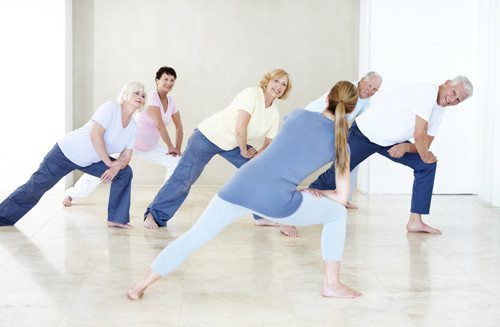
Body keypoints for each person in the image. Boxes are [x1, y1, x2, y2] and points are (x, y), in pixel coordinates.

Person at [127, 81, 362, 300]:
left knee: (195, 236)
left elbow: (286, 152)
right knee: (337, 213)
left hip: (239, 185)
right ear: (351, 109)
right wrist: (309, 191)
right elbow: (341, 198)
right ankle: (331, 284)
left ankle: (140, 286)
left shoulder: (297, 115)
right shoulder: (341, 144)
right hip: (276, 200)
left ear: (328, 97)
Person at [309, 76, 474, 234]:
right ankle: (297, 205)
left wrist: (406, 148)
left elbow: (426, 143)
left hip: (391, 142)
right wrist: (422, 153)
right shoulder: (427, 92)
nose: (453, 100)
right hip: (365, 134)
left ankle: (415, 221)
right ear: (447, 83)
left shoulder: (440, 110)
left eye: (458, 100)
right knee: (334, 176)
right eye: (453, 93)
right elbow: (419, 135)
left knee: (426, 165)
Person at [142, 68, 292, 229]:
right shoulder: (252, 94)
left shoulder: (274, 113)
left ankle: (262, 216)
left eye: (283, 84)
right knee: (184, 179)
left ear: (285, 90)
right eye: (276, 80)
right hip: (207, 137)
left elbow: (268, 143)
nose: (279, 86)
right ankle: (154, 215)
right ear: (268, 81)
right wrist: (244, 151)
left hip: (233, 144)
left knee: (260, 174)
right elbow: (241, 127)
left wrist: (255, 161)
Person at [0, 81, 146, 228]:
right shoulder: (110, 108)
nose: (140, 97)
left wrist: (115, 168)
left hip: (90, 160)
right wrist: (109, 163)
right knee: (35, 187)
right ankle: (2, 217)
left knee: (124, 172)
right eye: (137, 93)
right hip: (65, 153)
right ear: (126, 94)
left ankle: (116, 218)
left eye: (143, 95)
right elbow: (96, 135)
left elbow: (126, 155)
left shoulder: (133, 126)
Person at [274, 71, 382, 237]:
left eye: (375, 89)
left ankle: (343, 196)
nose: (370, 91)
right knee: (294, 171)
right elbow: (335, 114)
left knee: (353, 155)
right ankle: (286, 219)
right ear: (361, 81)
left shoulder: (365, 100)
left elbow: (366, 120)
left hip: (324, 130)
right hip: (309, 126)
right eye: (369, 86)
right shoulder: (347, 90)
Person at [61, 67, 184, 207]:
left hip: (149, 147)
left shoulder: (171, 102)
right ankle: (71, 194)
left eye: (172, 80)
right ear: (157, 80)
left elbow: (179, 126)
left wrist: (177, 149)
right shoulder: (151, 97)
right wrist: (170, 146)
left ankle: (163, 199)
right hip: (127, 143)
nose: (169, 83)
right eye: (165, 79)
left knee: (177, 161)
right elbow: (159, 125)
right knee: (103, 170)